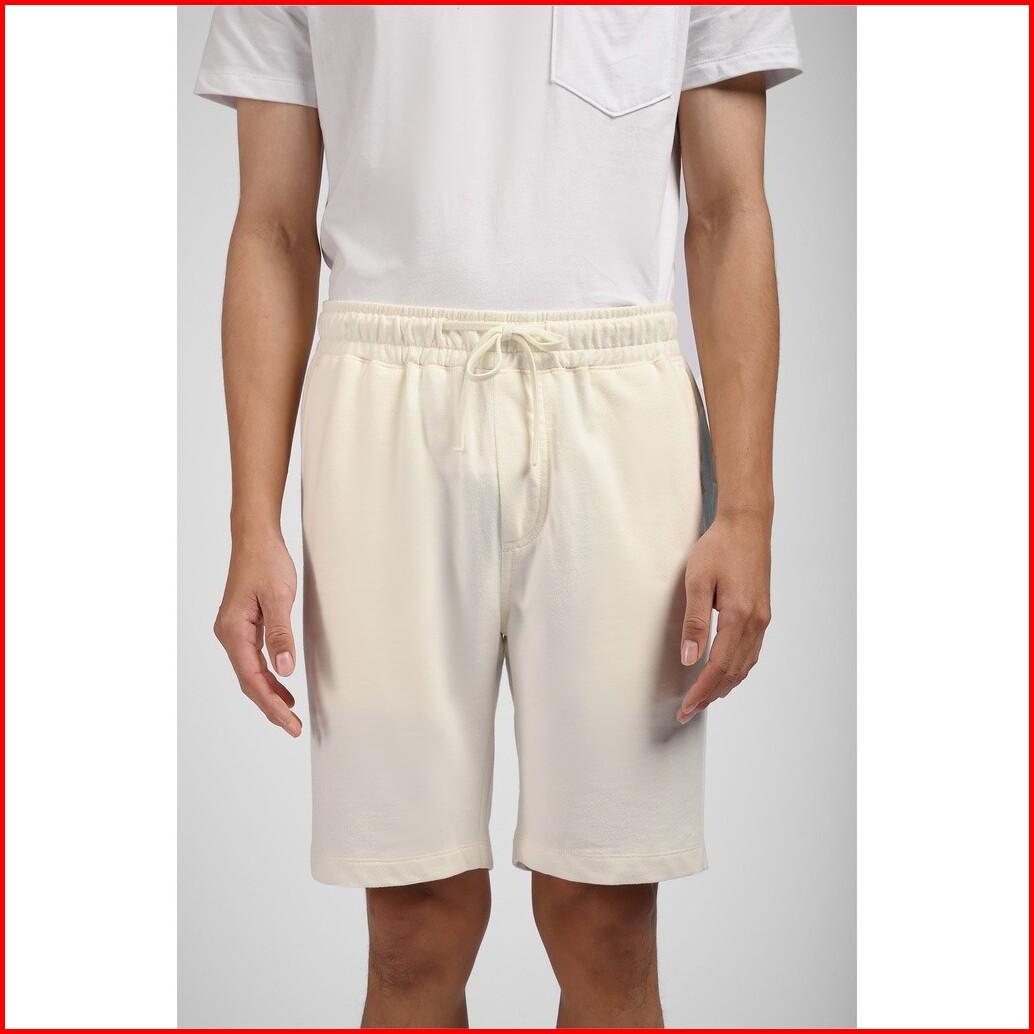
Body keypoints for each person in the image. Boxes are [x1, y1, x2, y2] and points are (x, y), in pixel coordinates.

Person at [195, 6, 802, 1028]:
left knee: (606, 922)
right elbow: (274, 226)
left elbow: (729, 210)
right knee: (412, 930)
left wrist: (748, 512)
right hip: (382, 402)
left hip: (617, 400)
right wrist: (251, 522)